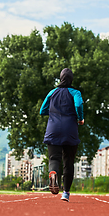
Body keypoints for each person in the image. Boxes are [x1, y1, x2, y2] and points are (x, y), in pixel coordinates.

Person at [40, 68, 84, 202]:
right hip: (70, 129)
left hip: (53, 129)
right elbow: (79, 104)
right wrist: (80, 118)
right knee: (68, 162)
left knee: (54, 158)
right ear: (71, 79)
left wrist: (54, 112)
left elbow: (43, 110)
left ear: (60, 78)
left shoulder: (52, 92)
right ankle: (66, 193)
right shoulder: (75, 92)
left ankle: (53, 174)